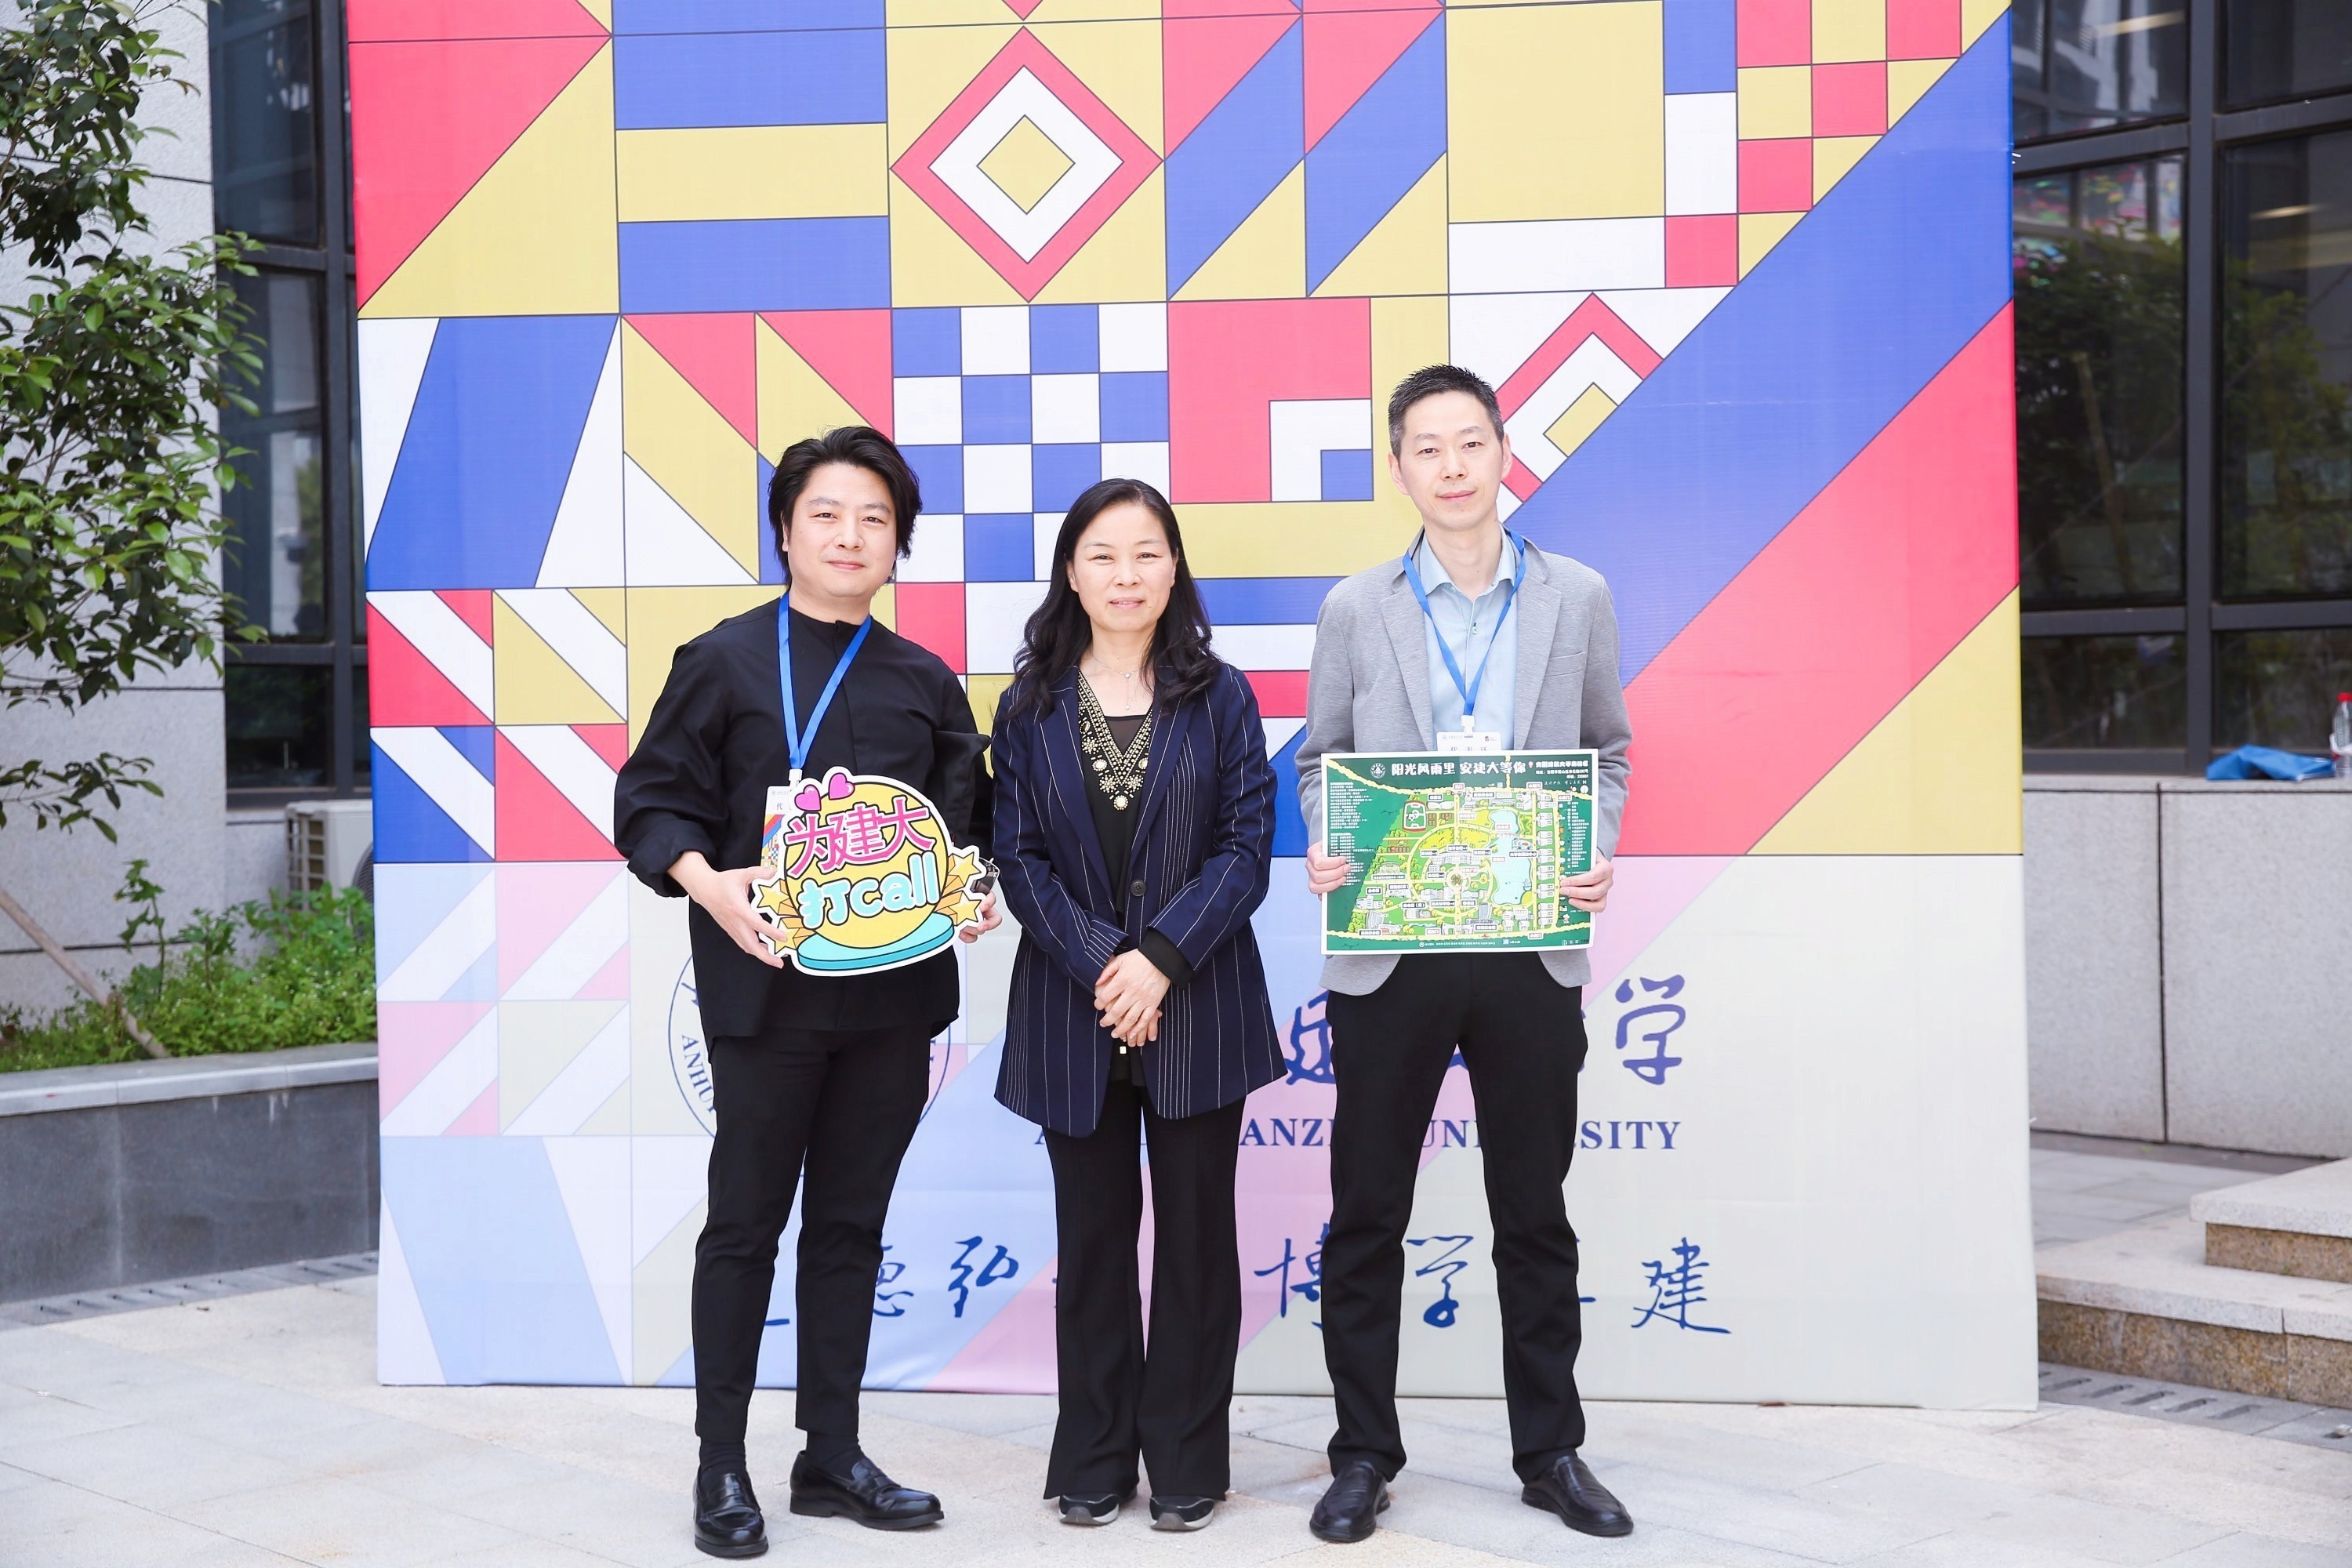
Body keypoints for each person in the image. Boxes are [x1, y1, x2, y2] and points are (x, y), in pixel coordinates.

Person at [612, 426, 1000, 1559]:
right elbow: (653, 801)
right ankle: (720, 1464)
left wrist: (969, 894)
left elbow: (965, 829)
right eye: (825, 513)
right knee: (744, 1226)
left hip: (892, 1004)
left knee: (849, 1228)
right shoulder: (723, 660)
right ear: (786, 531)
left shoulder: (925, 681)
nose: (849, 536)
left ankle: (831, 1454)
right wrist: (705, 881)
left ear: (898, 544)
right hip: (764, 994)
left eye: (874, 519)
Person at [1294, 366, 1635, 1544]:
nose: (1451, 465)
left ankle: (1551, 1453)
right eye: (1427, 448)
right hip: (1395, 948)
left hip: (1529, 945)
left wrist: (1592, 844)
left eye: (1470, 442)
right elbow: (1320, 761)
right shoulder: (1356, 607)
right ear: (1400, 468)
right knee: (1367, 1213)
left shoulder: (1577, 596)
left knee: (1533, 1213)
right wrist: (1330, 843)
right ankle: (1361, 1455)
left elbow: (1608, 751)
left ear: (1503, 453)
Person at [989, 477, 1283, 1533]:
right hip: (1074, 1011)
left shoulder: (1222, 695)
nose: (1126, 575)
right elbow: (1019, 859)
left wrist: (1159, 962)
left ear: (1174, 568)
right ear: (1071, 572)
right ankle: (1097, 1455)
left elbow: (1246, 849)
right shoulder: (1026, 706)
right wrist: (1108, 967)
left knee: (1198, 1245)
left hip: (1198, 1004)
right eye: (1103, 555)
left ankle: (1190, 1458)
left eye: (1146, 553)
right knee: (1094, 1244)